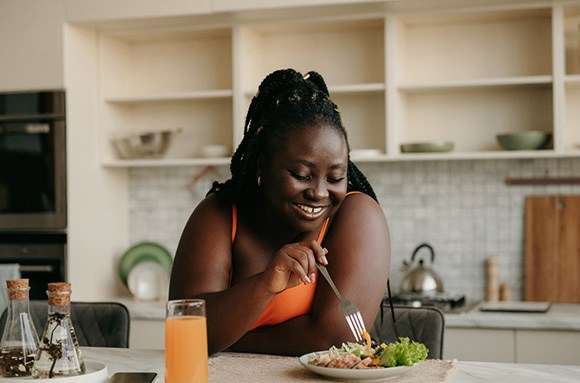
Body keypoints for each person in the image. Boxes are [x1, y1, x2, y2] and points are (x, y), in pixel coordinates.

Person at [169, 68, 391, 356]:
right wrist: (263, 286)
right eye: (301, 174)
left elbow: (336, 340)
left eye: (335, 178)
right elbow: (186, 329)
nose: (320, 193)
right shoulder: (220, 213)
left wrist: (235, 339)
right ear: (262, 167)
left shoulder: (358, 216)